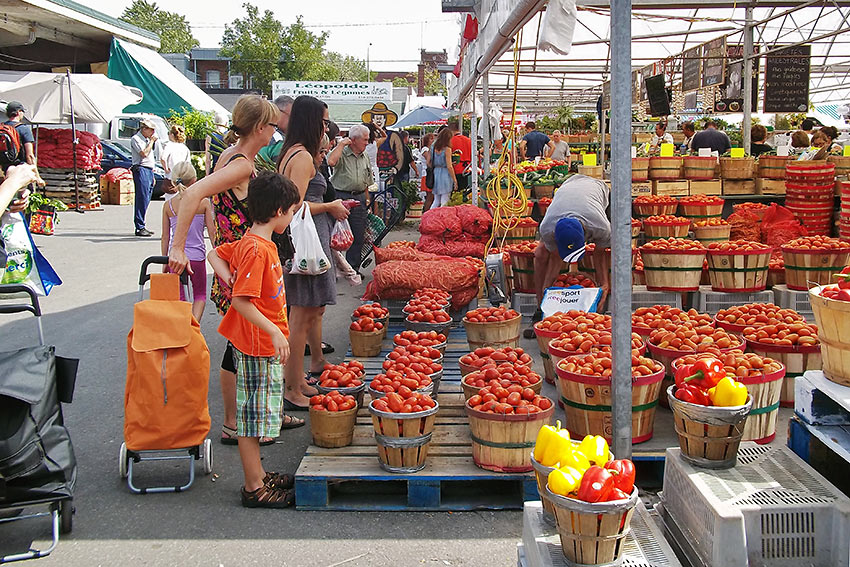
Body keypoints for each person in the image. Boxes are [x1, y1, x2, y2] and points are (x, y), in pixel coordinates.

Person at [168, 94, 304, 443]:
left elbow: (214, 206)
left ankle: (256, 414)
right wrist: (179, 247)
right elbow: (194, 194)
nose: (276, 132)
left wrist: (216, 243)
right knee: (243, 346)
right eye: (273, 126)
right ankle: (235, 423)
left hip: (237, 258)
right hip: (245, 265)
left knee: (244, 344)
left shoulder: (230, 155)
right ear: (259, 128)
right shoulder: (241, 163)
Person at [207, 171, 301, 509]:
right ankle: (253, 487)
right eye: (291, 211)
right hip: (257, 344)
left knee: (259, 416)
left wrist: (226, 273)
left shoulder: (252, 242)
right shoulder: (257, 250)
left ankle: (259, 474)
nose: (291, 218)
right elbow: (241, 302)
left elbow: (214, 253)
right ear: (278, 211)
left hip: (260, 342)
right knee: (251, 421)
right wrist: (275, 330)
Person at [277, 96, 350, 411]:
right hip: (307, 245)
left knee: (306, 315)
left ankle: (298, 381)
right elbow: (292, 207)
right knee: (301, 318)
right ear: (310, 122)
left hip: (310, 243)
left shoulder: (295, 152)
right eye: (322, 122)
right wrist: (331, 206)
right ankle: (292, 388)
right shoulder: (302, 157)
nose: (325, 128)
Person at [524, 174, 611, 338]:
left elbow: (600, 254)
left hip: (597, 190)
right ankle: (539, 310)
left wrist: (604, 285)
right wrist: (546, 290)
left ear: (585, 235)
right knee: (540, 254)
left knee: (617, 249)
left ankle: (601, 305)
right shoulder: (548, 227)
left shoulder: (600, 225)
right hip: (567, 186)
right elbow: (555, 256)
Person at [161, 161, 215, 323]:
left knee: (180, 296)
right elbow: (212, 232)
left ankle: (181, 327)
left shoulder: (168, 206)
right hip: (197, 256)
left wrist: (164, 259)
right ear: (194, 180)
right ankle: (193, 326)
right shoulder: (203, 203)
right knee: (199, 295)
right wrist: (218, 254)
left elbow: (165, 236)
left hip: (174, 257)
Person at [329, 123, 373, 269]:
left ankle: (352, 268)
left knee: (358, 235)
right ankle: (334, 267)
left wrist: (368, 200)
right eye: (365, 140)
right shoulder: (342, 152)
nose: (367, 143)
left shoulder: (365, 155)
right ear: (354, 140)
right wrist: (341, 145)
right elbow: (331, 161)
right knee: (336, 235)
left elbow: (367, 180)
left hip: (359, 197)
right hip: (341, 196)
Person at [130, 119, 162, 237]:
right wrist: (152, 142)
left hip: (148, 170)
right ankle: (139, 226)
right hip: (141, 168)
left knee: (147, 197)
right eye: (151, 130)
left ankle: (142, 223)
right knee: (142, 197)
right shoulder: (136, 139)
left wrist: (152, 175)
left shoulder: (147, 140)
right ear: (144, 129)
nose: (153, 133)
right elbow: (144, 154)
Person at [427, 127, 457, 209]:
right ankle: (443, 219)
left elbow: (428, 162)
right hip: (445, 175)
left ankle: (430, 217)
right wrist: (455, 180)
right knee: (445, 200)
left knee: (436, 200)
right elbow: (449, 166)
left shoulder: (432, 147)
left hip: (435, 173)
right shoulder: (447, 149)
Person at [258, 95, 293, 165]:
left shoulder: (260, 132)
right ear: (279, 112)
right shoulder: (279, 141)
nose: (293, 119)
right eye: (291, 115)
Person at [160, 125, 192, 200]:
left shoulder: (169, 145)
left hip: (171, 176)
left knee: (170, 200)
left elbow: (163, 158)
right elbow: (188, 163)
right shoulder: (185, 148)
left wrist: (166, 168)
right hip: (182, 176)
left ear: (172, 134)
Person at [3, 101, 35, 166]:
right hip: (18, 168)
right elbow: (29, 155)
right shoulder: (24, 129)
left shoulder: (2, 127)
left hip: (3, 167)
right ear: (18, 112)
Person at [448, 118, 471, 190]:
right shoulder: (469, 140)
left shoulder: (450, 141)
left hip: (455, 169)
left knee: (455, 194)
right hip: (467, 169)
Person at [419, 133, 435, 212]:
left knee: (430, 197)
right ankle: (426, 214)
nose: (433, 140)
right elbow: (429, 160)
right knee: (429, 197)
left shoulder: (428, 149)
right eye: (431, 139)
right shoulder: (425, 149)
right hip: (427, 175)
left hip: (428, 174)